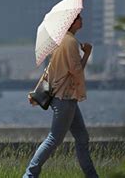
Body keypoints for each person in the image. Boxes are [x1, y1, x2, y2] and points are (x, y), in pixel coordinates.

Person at [23, 14, 99, 178]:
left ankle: (92, 176)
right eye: (79, 18)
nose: (82, 20)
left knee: (81, 137)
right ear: (71, 22)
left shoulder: (60, 41)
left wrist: (38, 91)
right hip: (64, 98)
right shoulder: (70, 42)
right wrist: (87, 53)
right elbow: (76, 71)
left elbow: (50, 70)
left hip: (66, 97)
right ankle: (29, 175)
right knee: (54, 139)